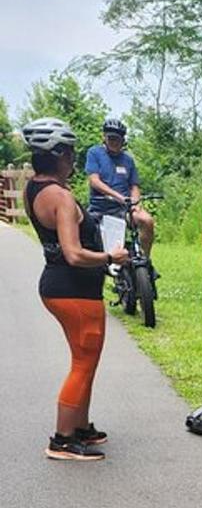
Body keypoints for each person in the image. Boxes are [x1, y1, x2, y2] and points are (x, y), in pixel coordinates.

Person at [23, 117, 130, 461]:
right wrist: (109, 256)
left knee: (85, 359)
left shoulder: (34, 188)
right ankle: (63, 440)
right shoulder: (61, 198)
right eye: (69, 152)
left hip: (61, 286)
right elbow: (73, 253)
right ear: (56, 154)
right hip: (73, 290)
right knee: (83, 362)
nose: (73, 159)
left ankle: (79, 426)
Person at [86, 116, 154, 257]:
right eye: (110, 138)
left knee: (146, 220)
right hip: (100, 209)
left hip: (123, 209)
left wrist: (135, 202)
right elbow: (94, 181)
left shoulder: (127, 159)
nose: (114, 142)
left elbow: (134, 185)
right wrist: (119, 197)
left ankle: (145, 258)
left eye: (117, 139)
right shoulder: (94, 153)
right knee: (92, 241)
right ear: (104, 137)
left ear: (123, 140)